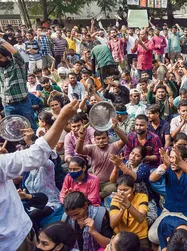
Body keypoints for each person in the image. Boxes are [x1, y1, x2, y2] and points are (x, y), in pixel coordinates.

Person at [0, 98, 78, 251]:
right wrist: (62, 118)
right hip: (14, 239)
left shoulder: (47, 165)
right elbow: (34, 156)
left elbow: (40, 159)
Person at [148, 146, 187, 244]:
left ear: (184, 160)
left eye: (175, 158)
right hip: (169, 212)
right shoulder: (168, 169)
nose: (172, 161)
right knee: (152, 236)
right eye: (171, 157)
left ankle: (174, 239)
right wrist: (164, 165)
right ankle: (181, 240)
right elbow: (152, 179)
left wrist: (179, 162)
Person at [76, 119, 128, 199]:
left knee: (112, 189)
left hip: (109, 183)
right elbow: (79, 150)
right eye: (98, 139)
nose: (101, 141)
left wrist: (116, 128)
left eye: (103, 138)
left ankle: (93, 198)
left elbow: (125, 140)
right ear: (95, 139)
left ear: (108, 138)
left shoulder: (113, 146)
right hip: (95, 181)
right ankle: (93, 197)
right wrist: (81, 138)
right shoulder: (91, 148)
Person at [0, 38, 37, 131]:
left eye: (0, 58)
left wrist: (1, 40)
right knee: (12, 129)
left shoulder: (18, 64)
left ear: (7, 56)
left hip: (23, 104)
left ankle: (33, 143)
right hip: (8, 106)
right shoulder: (0, 68)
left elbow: (15, 52)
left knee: (30, 127)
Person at [110, 174, 150, 249]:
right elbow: (112, 224)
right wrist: (122, 210)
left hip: (139, 236)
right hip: (121, 238)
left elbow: (141, 218)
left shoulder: (142, 197)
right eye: (119, 190)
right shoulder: (115, 200)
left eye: (125, 190)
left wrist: (128, 205)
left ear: (133, 188)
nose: (122, 193)